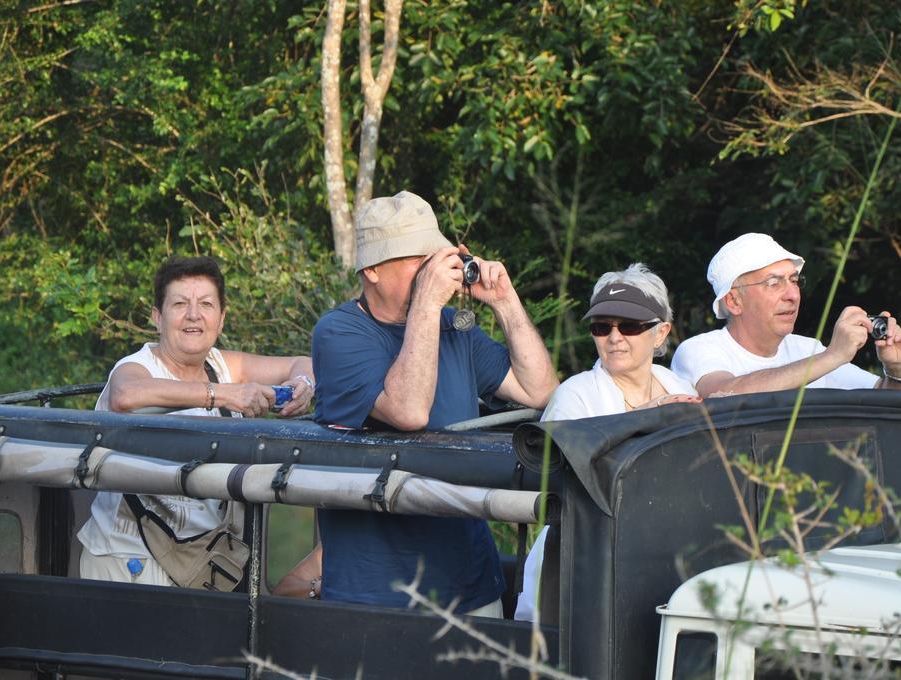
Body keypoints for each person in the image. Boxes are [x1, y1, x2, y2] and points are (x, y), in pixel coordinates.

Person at [296, 190, 558, 616]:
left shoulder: (454, 327)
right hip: (379, 598)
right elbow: (408, 411)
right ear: (373, 270)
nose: (436, 270)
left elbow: (540, 392)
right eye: (421, 260)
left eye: (439, 257)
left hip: (472, 586)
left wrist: (506, 303)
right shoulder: (338, 333)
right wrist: (427, 302)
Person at [77, 255, 314, 586]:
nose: (193, 315)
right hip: (128, 559)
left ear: (221, 319)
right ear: (157, 318)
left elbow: (302, 363)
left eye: (206, 303)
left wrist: (303, 386)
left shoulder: (220, 364)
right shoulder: (138, 365)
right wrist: (226, 395)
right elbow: (125, 394)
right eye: (179, 304)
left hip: (197, 562)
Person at [514, 263, 701, 622]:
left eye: (629, 326)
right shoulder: (574, 395)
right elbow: (563, 484)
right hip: (584, 560)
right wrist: (646, 417)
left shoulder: (679, 388)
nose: (614, 337)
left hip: (659, 551)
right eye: (602, 326)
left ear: (661, 333)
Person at [671, 233, 901, 397]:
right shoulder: (698, 350)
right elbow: (723, 395)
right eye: (774, 283)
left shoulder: (810, 350)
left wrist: (897, 369)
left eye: (794, 280)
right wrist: (834, 355)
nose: (793, 295)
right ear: (734, 301)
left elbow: (889, 404)